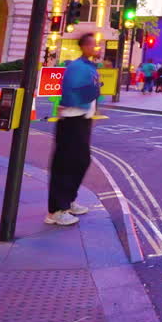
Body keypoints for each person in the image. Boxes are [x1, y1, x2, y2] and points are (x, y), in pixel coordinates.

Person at [47, 32, 102, 226]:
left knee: (80, 161)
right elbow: (71, 90)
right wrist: (68, 106)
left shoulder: (88, 66)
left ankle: (67, 202)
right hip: (72, 119)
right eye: (95, 45)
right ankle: (56, 210)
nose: (98, 48)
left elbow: (92, 90)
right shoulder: (78, 66)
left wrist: (91, 111)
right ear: (86, 47)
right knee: (65, 164)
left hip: (81, 119)